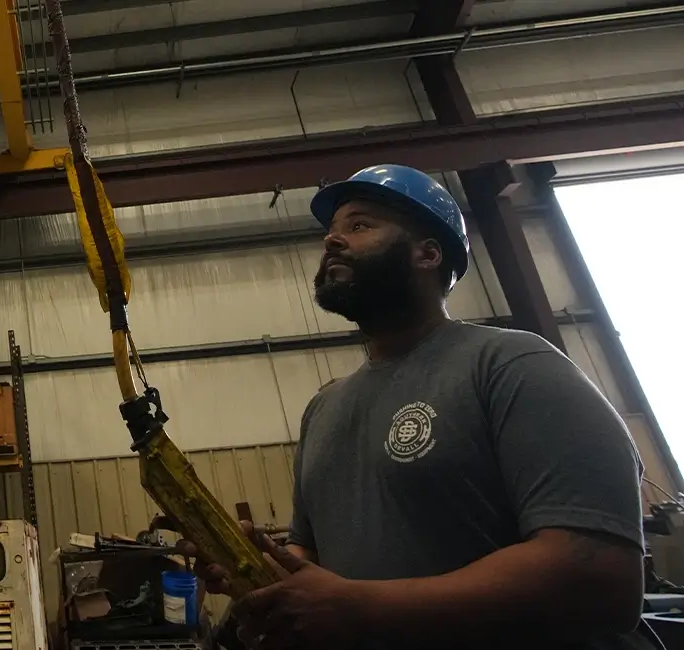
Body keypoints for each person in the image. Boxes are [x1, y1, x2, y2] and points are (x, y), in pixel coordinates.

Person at [189, 165, 652, 649]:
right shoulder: (323, 408)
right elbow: (313, 561)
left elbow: (603, 576)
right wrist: (253, 564)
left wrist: (358, 609)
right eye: (331, 232)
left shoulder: (513, 365)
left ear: (428, 253)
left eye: (359, 225)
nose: (332, 241)